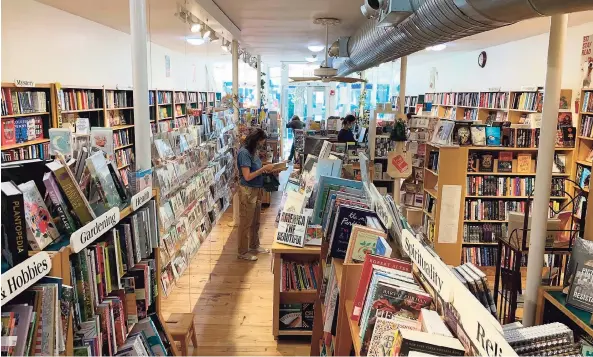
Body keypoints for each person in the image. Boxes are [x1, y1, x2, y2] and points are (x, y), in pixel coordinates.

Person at [236, 128, 277, 261]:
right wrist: (264, 169)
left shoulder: (253, 151)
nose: (261, 145)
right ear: (255, 141)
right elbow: (247, 176)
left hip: (256, 188)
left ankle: (254, 245)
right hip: (248, 190)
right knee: (246, 222)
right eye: (260, 142)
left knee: (255, 221)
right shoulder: (244, 153)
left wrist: (269, 170)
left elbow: (256, 170)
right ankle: (242, 252)